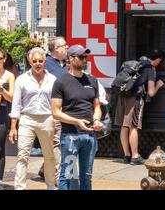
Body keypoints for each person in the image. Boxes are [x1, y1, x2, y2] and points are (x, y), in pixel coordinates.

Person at [51, 44, 103, 190]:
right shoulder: (61, 82)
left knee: (86, 176)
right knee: (69, 176)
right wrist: (77, 121)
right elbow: (55, 112)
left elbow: (97, 106)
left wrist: (97, 120)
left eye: (85, 57)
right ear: (70, 59)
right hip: (70, 136)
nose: (84, 60)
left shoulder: (92, 80)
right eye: (81, 57)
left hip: (90, 136)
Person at [8, 47, 57, 190]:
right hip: (27, 119)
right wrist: (13, 128)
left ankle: (50, 185)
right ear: (30, 61)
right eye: (34, 61)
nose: (37, 63)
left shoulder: (53, 79)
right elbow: (16, 105)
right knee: (22, 155)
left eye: (40, 61)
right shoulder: (21, 80)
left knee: (49, 155)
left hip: (47, 119)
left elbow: (55, 103)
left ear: (45, 62)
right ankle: (19, 187)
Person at [114, 50, 165, 165]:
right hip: (134, 99)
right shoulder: (150, 68)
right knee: (133, 126)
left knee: (124, 125)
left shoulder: (135, 64)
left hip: (122, 97)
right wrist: (158, 85)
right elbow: (151, 92)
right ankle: (135, 155)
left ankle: (126, 155)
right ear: (158, 59)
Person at [38, 36, 69, 181]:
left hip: (67, 110)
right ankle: (56, 176)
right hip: (50, 109)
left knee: (56, 142)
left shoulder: (66, 64)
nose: (67, 47)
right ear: (56, 49)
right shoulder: (45, 64)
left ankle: (45, 168)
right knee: (56, 142)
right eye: (64, 45)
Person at [0, 47, 15, 190]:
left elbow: (12, 97)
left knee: (0, 147)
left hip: (1, 112)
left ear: (4, 59)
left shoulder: (9, 75)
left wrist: (1, 89)